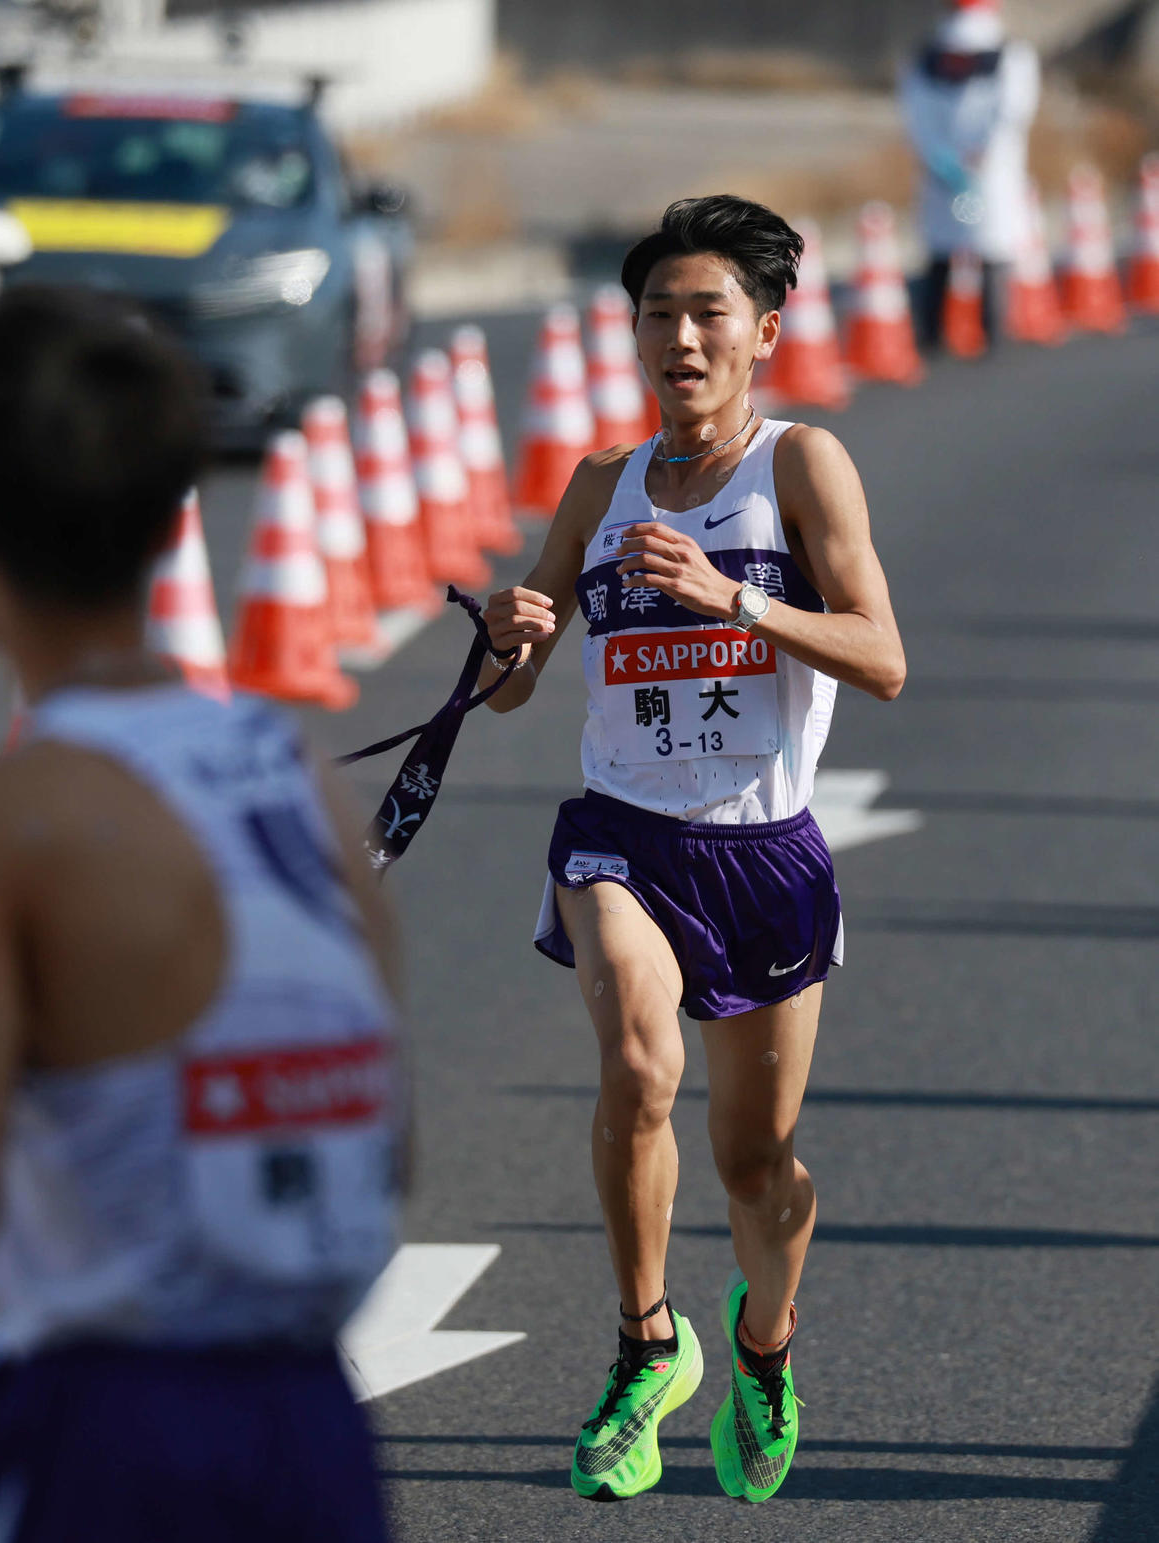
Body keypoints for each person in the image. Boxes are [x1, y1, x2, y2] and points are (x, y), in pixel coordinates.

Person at [0, 285, 403, 1542]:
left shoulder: (3, 824)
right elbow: (389, 1131)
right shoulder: (299, 773)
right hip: (317, 1418)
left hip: (114, 1417)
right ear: (175, 527)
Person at [481, 194, 905, 1504]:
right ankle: (644, 1339)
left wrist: (735, 597)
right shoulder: (601, 484)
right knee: (635, 1062)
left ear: (764, 330)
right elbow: (511, 688)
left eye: (707, 310)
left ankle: (763, 1345)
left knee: (754, 1161)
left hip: (761, 850)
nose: (679, 335)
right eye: (657, 311)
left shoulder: (802, 466)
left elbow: (884, 657)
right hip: (623, 833)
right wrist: (510, 633)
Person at [898, 0, 1041, 348]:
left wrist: (939, 156)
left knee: (941, 251)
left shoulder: (927, 55)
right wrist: (983, 155)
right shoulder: (1011, 54)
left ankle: (933, 333)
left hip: (942, 171)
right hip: (991, 173)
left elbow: (915, 114)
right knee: (992, 249)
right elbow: (1013, 112)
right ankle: (992, 330)